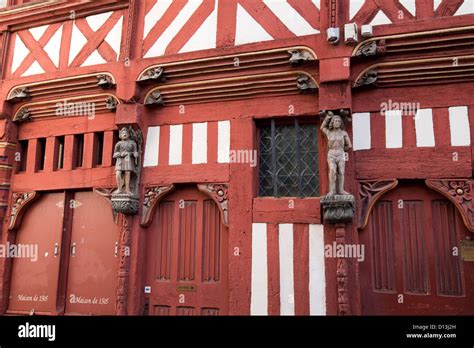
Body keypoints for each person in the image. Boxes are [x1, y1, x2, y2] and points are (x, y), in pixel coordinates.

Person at [320, 111, 352, 195]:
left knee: (341, 172)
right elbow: (322, 127)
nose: (337, 122)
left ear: (341, 123)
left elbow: (349, 145)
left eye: (339, 121)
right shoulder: (329, 132)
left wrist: (343, 150)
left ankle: (341, 190)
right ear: (332, 122)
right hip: (331, 154)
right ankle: (332, 190)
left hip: (341, 154)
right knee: (332, 171)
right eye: (335, 121)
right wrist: (328, 117)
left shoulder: (343, 133)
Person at [113, 127, 139, 194]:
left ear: (128, 134)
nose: (124, 134)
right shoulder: (118, 144)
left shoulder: (132, 143)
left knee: (127, 173)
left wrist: (135, 154)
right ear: (120, 135)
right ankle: (119, 189)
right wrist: (121, 154)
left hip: (128, 159)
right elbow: (114, 154)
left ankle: (127, 189)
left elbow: (135, 152)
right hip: (120, 160)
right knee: (118, 173)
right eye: (123, 133)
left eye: (126, 133)